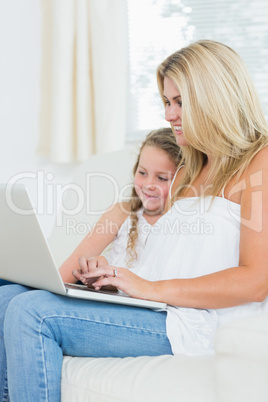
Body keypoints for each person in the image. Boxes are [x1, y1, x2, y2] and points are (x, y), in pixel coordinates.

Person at [1, 39, 268, 400]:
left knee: (33, 313)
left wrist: (151, 288)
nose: (168, 114)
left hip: (194, 323)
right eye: (166, 102)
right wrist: (115, 283)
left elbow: (255, 281)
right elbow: (171, 260)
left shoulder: (259, 163)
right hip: (159, 308)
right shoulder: (193, 168)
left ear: (213, 98)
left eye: (179, 102)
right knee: (7, 298)